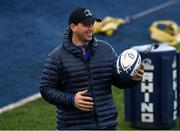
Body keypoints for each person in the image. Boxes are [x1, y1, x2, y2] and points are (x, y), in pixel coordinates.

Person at [40, 7, 144, 130]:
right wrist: (72, 99)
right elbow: (46, 89)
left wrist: (133, 79)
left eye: (92, 23)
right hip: (74, 127)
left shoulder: (106, 49)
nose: (91, 28)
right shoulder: (56, 57)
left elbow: (118, 80)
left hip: (106, 125)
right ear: (73, 27)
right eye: (86, 25)